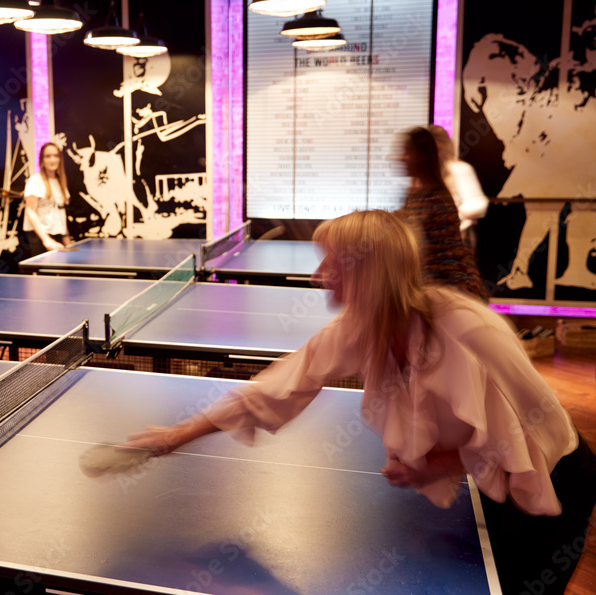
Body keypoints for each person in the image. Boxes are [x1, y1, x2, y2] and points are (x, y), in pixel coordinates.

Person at [122, 209, 596, 595]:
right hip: (498, 480)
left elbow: (516, 444)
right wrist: (175, 435)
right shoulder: (361, 326)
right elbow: (275, 388)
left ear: (366, 270)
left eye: (331, 262)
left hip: (555, 478)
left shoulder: (466, 332)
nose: (317, 275)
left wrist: (432, 465)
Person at [396, 126, 488, 301]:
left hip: (443, 291)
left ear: (423, 155)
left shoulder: (439, 196)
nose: (400, 158)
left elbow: (440, 264)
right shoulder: (415, 194)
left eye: (407, 152)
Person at [427, 125, 488, 249]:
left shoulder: (459, 169)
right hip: (431, 238)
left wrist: (453, 214)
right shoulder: (424, 173)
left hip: (457, 236)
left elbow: (480, 204)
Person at [22, 141, 71, 259]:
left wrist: (66, 237)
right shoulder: (35, 180)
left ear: (60, 159)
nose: (52, 160)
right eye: (48, 156)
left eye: (56, 156)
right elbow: (30, 211)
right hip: (39, 237)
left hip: (58, 234)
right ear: (42, 160)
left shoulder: (61, 181)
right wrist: (46, 239)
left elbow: (60, 212)